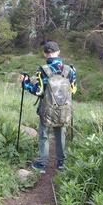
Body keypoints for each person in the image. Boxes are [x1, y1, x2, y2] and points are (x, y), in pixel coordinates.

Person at [20, 41, 77, 173]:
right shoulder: (70, 70)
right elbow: (73, 90)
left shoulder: (43, 70)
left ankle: (42, 164)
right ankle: (61, 163)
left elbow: (38, 91)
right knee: (60, 134)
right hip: (64, 109)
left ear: (45, 54)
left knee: (44, 135)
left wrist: (26, 83)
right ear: (59, 52)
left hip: (47, 109)